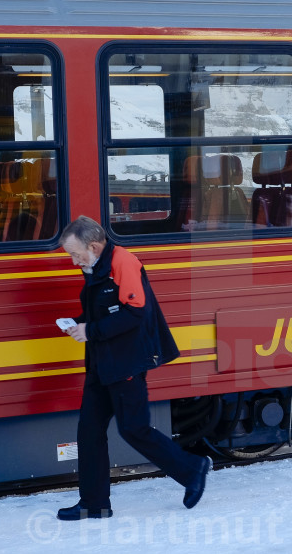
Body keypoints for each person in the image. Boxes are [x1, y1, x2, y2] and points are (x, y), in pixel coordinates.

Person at [55, 215, 210, 521]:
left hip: (126, 361)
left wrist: (91, 331)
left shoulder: (124, 263)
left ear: (95, 245)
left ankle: (193, 469)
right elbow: (102, 311)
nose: (73, 261)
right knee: (89, 432)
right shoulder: (96, 266)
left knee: (133, 429)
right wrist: (80, 323)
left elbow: (135, 314)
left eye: (75, 254)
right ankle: (94, 504)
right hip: (102, 362)